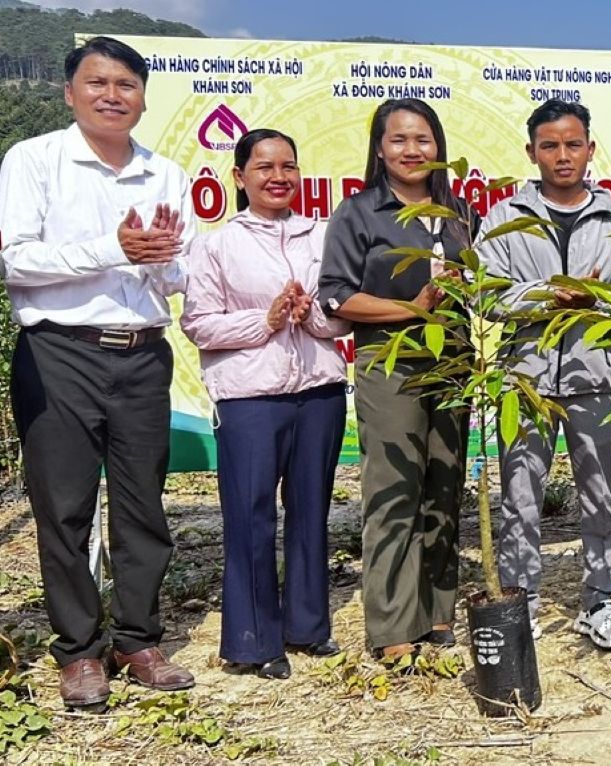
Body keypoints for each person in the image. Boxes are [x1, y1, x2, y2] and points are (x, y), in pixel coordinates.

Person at [0, 36, 196, 708]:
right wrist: (111, 249)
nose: (112, 96)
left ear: (143, 98)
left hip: (142, 353)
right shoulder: (35, 160)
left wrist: (160, 258)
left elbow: (179, 277)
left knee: (143, 505)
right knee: (65, 509)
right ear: (69, 92)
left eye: (126, 86)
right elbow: (17, 261)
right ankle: (79, 653)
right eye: (98, 83)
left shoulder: (165, 174)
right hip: (60, 351)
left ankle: (138, 639)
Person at [475, 99, 611, 650]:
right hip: (524, 381)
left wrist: (594, 301)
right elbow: (484, 294)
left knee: (602, 495)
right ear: (532, 153)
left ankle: (601, 599)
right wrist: (549, 297)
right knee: (519, 495)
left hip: (594, 378)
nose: (562, 156)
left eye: (573, 144)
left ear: (590, 150)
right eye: (549, 146)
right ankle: (521, 597)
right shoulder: (505, 218)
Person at [181, 129, 349, 679]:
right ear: (239, 177)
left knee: (310, 512)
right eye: (264, 168)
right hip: (252, 399)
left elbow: (341, 314)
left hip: (320, 393)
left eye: (289, 167)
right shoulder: (216, 244)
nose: (278, 178)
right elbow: (198, 323)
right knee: (250, 517)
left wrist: (311, 313)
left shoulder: (323, 236)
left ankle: (307, 627)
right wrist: (267, 320)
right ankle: (252, 641)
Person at [319, 99, 469, 661]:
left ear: (439, 147)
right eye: (400, 140)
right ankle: (392, 626)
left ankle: (437, 610)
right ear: (380, 149)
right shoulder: (359, 213)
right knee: (395, 489)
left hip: (451, 363)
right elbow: (336, 294)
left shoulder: (457, 214)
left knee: (445, 484)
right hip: (390, 363)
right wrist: (413, 309)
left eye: (423, 139)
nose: (413, 150)